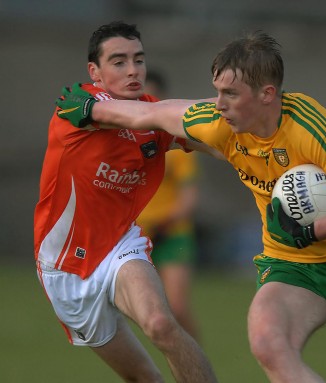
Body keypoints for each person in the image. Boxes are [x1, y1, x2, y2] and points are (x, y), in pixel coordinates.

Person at [55, 31, 326, 383]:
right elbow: (155, 113)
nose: (219, 103)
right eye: (217, 91)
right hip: (291, 263)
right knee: (267, 343)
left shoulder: (308, 128)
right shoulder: (219, 122)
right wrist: (94, 110)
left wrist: (311, 231)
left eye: (230, 94)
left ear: (267, 94)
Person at [34, 21, 217, 383]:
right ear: (95, 72)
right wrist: (222, 102)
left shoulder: (154, 114)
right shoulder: (78, 107)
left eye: (139, 59)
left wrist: (249, 129)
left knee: (161, 323)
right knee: (143, 377)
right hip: (63, 269)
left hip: (119, 245)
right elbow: (153, 115)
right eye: (118, 62)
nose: (133, 70)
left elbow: (213, 139)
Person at [137, 69, 201, 339]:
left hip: (171, 234)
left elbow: (190, 198)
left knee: (177, 307)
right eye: (141, 97)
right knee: (143, 312)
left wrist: (164, 222)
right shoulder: (121, 142)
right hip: (137, 237)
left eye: (152, 97)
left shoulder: (174, 144)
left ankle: (197, 362)